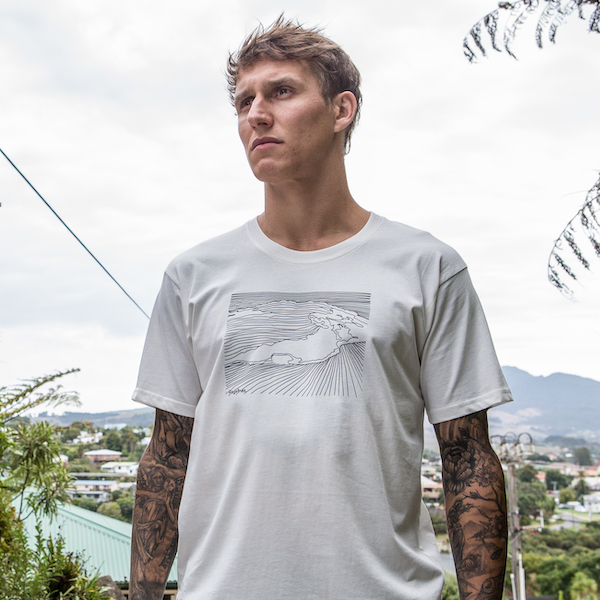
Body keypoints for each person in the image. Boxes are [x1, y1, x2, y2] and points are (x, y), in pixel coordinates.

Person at [130, 16, 512, 600]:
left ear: (342, 109)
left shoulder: (427, 268)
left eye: (281, 91)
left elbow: (467, 459)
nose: (256, 114)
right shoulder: (193, 276)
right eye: (244, 102)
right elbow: (165, 458)